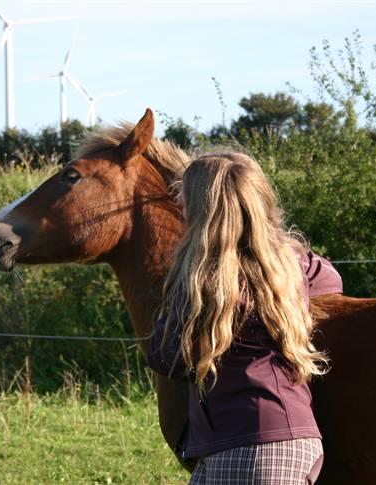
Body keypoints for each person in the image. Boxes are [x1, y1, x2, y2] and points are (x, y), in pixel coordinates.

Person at [147, 152, 343, 484]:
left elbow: (167, 356)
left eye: (184, 197)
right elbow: (330, 281)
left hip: (246, 446)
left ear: (202, 211)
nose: (179, 203)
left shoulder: (202, 281)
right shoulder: (290, 261)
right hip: (294, 438)